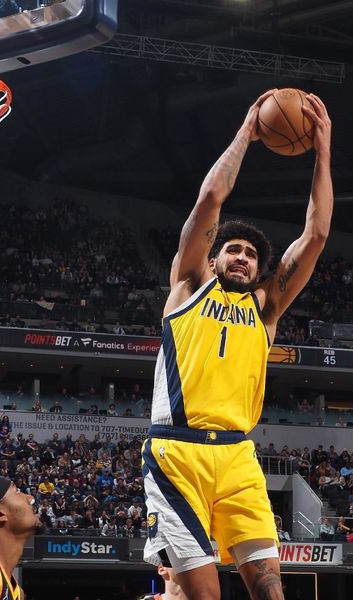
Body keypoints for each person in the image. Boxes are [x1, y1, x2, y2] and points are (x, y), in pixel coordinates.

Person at [142, 89, 333, 600]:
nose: (243, 257)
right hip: (177, 452)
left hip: (238, 456)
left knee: (271, 586)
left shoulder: (267, 306)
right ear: (213, 258)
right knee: (205, 596)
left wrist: (323, 150)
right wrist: (247, 133)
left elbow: (314, 235)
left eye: (251, 253)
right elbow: (210, 201)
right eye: (232, 249)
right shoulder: (187, 285)